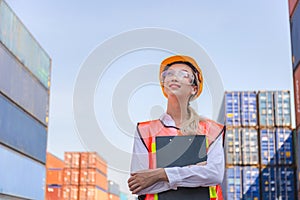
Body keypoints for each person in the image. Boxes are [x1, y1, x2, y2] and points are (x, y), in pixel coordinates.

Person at [127, 55, 225, 200]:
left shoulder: (212, 130)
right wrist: (195, 171)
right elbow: (139, 184)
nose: (174, 77)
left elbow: (215, 174)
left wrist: (160, 174)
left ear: (194, 88)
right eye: (169, 74)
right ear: (164, 86)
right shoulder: (145, 130)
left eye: (183, 74)